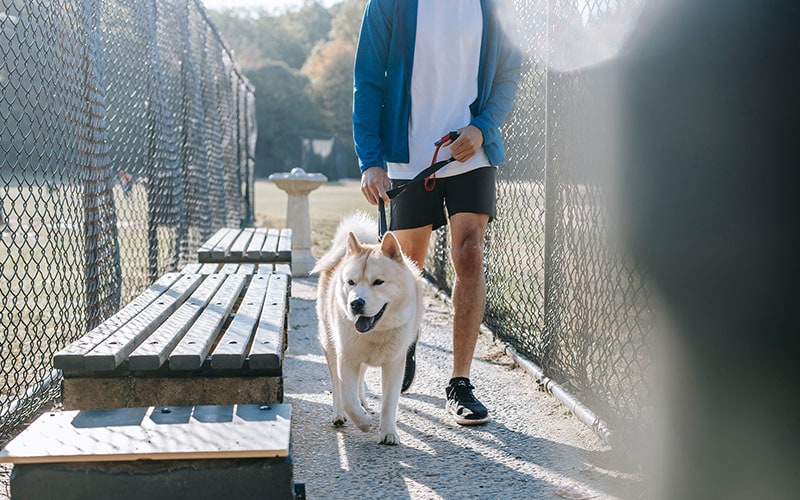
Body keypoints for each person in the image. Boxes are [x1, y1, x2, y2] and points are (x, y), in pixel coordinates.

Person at [353, 0, 521, 425]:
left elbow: (507, 74)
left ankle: (460, 383)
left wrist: (483, 126)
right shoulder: (388, 5)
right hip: (409, 156)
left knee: (469, 253)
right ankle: (405, 343)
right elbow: (368, 80)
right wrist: (371, 160)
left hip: (471, 151)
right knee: (408, 265)